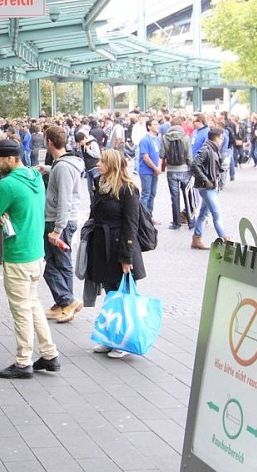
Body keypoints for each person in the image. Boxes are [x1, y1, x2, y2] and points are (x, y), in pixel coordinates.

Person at [0, 140, 60, 379]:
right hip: (37, 253)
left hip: (18, 255)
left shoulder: (7, 185)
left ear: (10, 158)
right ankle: (50, 354)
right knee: (33, 304)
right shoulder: (35, 176)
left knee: (21, 310)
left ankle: (23, 362)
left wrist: (0, 216)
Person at [87, 150, 146, 359]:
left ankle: (123, 340)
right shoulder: (100, 184)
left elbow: (131, 223)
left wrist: (127, 257)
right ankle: (110, 338)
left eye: (103, 161)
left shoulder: (128, 189)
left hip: (120, 246)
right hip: (103, 246)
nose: (98, 164)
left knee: (122, 296)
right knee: (111, 294)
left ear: (112, 165)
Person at [40, 126, 84, 324]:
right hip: (62, 220)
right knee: (60, 262)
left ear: (49, 142)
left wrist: (57, 229)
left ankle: (67, 301)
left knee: (51, 263)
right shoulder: (64, 164)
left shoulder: (63, 167)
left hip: (58, 222)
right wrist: (47, 169)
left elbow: (65, 199)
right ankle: (64, 303)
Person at [190, 127, 229, 250]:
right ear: (216, 138)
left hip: (210, 186)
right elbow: (194, 165)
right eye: (221, 137)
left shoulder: (213, 149)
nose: (222, 140)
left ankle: (196, 238)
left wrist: (222, 167)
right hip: (207, 187)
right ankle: (225, 239)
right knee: (216, 214)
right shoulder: (207, 149)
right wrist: (206, 180)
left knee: (203, 214)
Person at [160, 118, 193, 230]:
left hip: (171, 171)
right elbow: (189, 156)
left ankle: (176, 223)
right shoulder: (186, 137)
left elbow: (162, 154)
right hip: (184, 170)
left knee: (174, 197)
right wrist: (192, 169)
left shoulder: (165, 137)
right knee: (188, 196)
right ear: (181, 125)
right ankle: (191, 221)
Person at [138, 118, 162, 217]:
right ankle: (143, 217)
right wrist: (155, 168)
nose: (157, 126)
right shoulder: (145, 139)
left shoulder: (157, 139)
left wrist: (159, 167)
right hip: (146, 171)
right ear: (149, 127)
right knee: (146, 194)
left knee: (152, 194)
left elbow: (160, 154)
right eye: (155, 124)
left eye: (157, 124)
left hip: (154, 171)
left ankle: (149, 215)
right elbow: (145, 157)